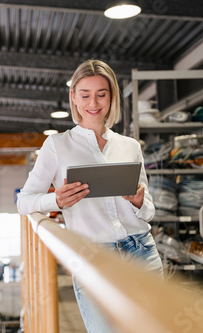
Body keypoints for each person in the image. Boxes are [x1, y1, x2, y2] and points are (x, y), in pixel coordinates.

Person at [16, 59, 163, 332]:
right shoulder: (57, 145)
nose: (93, 102)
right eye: (85, 94)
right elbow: (23, 201)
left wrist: (140, 201)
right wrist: (55, 201)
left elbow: (149, 211)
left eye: (101, 94)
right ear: (73, 97)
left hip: (141, 251)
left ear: (112, 97)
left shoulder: (129, 146)